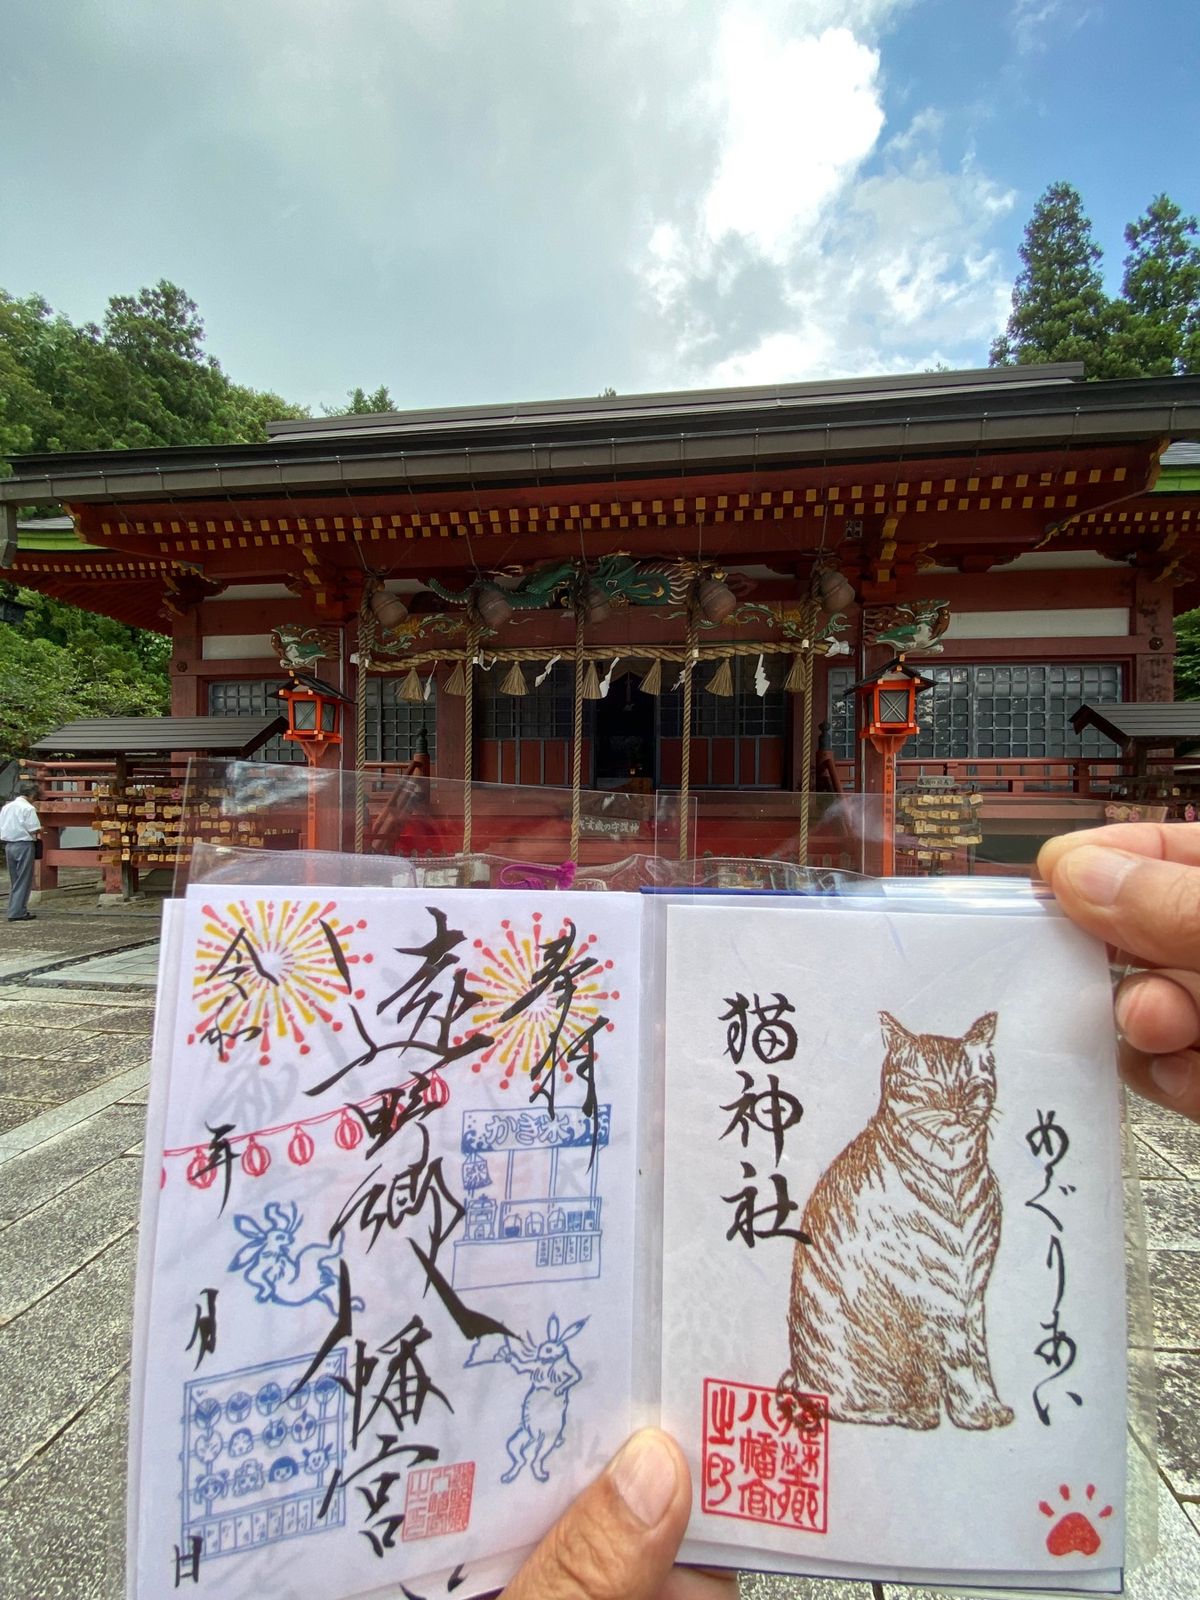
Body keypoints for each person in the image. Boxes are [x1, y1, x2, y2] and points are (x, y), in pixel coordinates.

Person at [494, 821, 1200, 1600]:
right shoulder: (887, 1165)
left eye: (970, 1093)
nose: (956, 1109)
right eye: (932, 1095)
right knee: (935, 1294)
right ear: (895, 1085)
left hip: (899, 1363)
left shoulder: (958, 1136)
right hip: (861, 1365)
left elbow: (958, 1288)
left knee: (956, 1290)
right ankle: (919, 1398)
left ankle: (947, 1408)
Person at [1, 781, 41, 923]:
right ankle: (18, 911)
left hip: (9, 845)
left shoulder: (7, 807)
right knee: (24, 879)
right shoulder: (28, 808)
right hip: (24, 844)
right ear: (31, 795)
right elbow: (33, 828)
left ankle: (14, 908)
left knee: (15, 879)